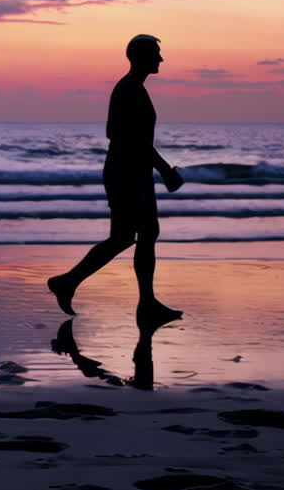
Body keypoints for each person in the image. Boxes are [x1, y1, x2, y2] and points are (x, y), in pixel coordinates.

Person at [47, 34, 184, 326]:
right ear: (139, 56)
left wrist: (158, 169)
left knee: (135, 235)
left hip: (131, 172)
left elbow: (132, 137)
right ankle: (72, 283)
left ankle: (140, 301)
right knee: (135, 235)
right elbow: (123, 136)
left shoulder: (133, 88)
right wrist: (165, 170)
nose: (161, 59)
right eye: (156, 54)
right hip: (127, 174)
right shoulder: (129, 89)